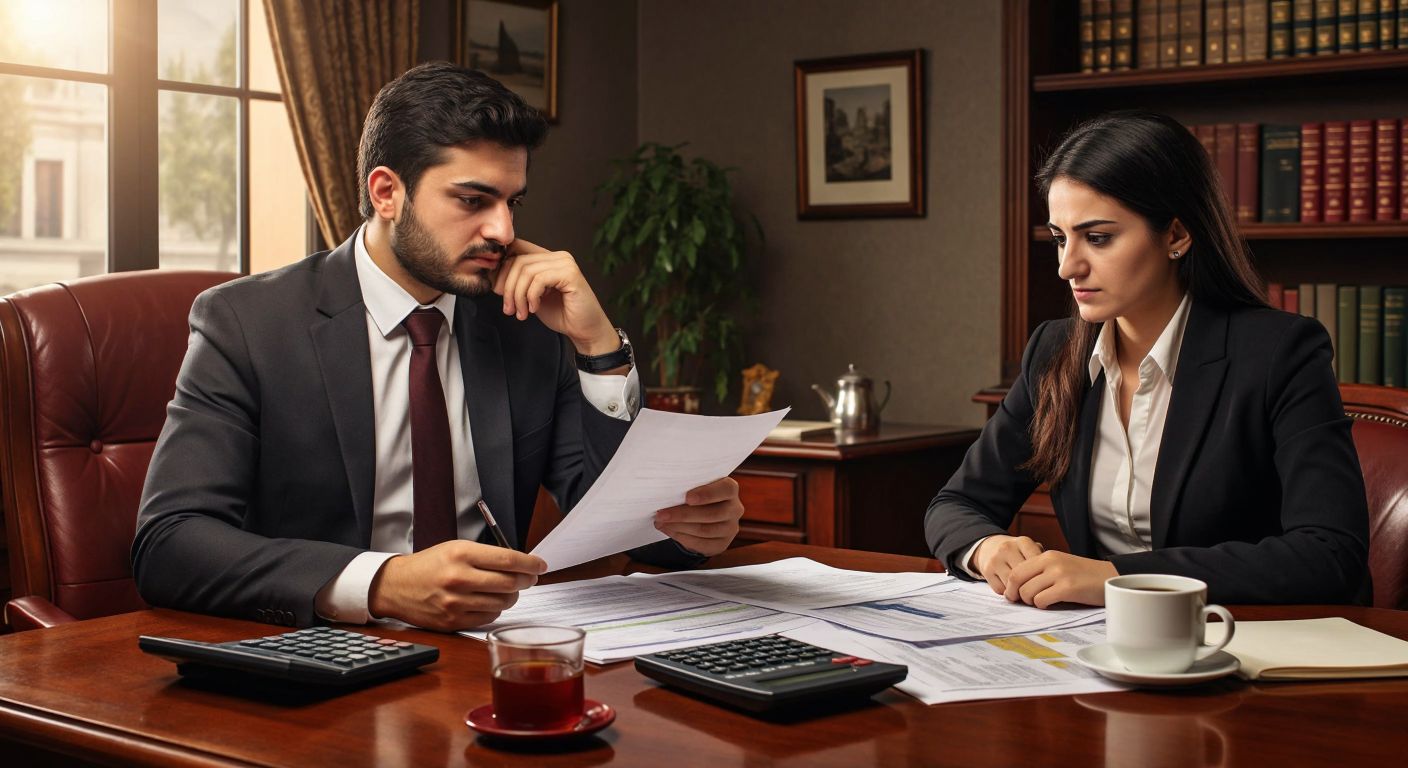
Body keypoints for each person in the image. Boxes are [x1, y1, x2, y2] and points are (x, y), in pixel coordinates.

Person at [132, 62, 744, 632]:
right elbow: (171, 543)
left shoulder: (526, 324)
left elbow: (633, 532)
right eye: (473, 201)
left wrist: (598, 344)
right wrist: (383, 584)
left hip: (488, 658)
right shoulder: (247, 323)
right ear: (386, 193)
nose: (504, 231)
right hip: (317, 660)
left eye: (513, 202)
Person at [925, 110, 1370, 608]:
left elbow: (1329, 553)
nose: (1067, 266)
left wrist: (1116, 577)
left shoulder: (1279, 353)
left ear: (1176, 236)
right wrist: (988, 548)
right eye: (1059, 238)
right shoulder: (1054, 351)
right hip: (1096, 645)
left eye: (1097, 237)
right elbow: (956, 504)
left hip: (1239, 644)